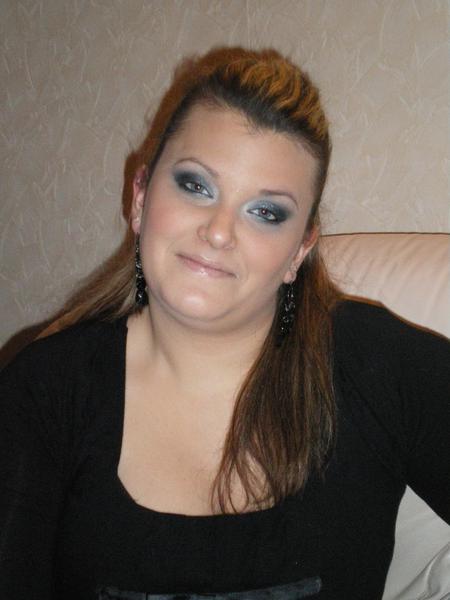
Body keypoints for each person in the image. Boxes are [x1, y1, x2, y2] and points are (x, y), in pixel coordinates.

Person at [0, 47, 449, 600]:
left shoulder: (376, 365)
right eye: (196, 185)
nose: (218, 231)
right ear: (139, 197)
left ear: (299, 249)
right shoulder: (45, 389)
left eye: (266, 212)